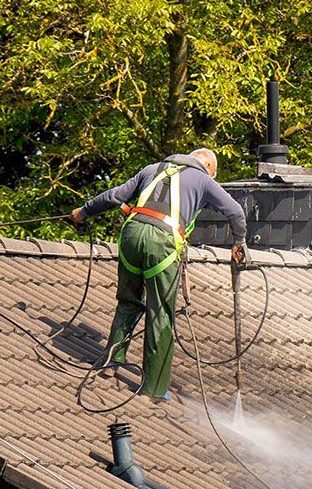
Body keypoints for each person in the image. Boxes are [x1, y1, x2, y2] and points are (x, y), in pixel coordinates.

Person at [71, 148, 247, 402]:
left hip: (130, 236)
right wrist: (237, 243)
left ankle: (110, 362)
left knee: (128, 300)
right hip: (161, 243)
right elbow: (236, 213)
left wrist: (83, 212)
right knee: (160, 312)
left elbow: (114, 196)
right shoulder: (203, 179)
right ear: (208, 166)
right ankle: (153, 388)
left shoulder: (151, 169)